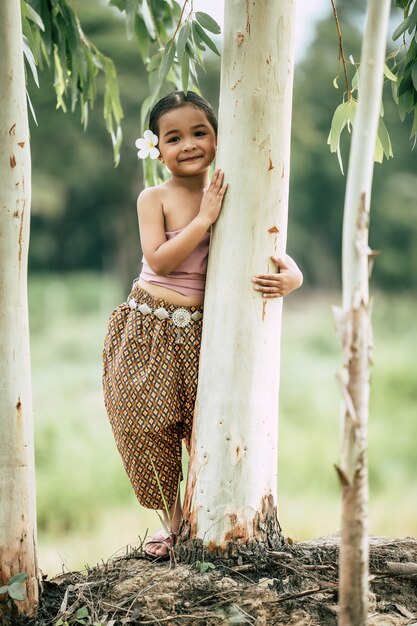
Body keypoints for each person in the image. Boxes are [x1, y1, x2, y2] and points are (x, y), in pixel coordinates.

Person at [102, 91, 303, 559]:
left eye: (199, 133)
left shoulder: (234, 188)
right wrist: (204, 219)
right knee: (143, 425)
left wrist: (293, 275)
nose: (188, 144)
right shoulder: (154, 198)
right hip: (147, 328)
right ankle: (171, 521)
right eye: (173, 138)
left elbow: (267, 239)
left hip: (203, 334)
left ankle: (206, 518)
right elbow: (160, 259)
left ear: (217, 138)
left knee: (205, 427)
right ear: (156, 148)